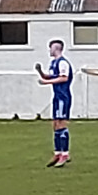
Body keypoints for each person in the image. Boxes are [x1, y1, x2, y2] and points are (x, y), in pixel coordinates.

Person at [34, 39, 73, 168]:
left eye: (50, 48)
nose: (49, 50)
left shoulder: (63, 63)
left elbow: (64, 78)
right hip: (56, 97)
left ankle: (65, 154)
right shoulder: (53, 63)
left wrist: (46, 83)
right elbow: (49, 76)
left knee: (61, 123)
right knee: (55, 124)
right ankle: (57, 152)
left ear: (56, 48)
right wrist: (40, 72)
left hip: (63, 96)